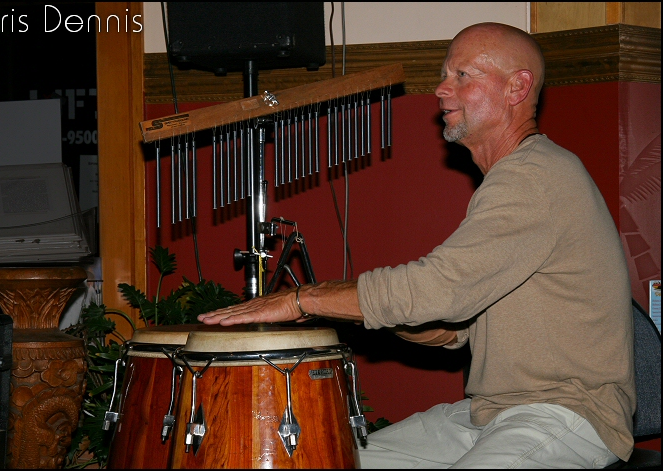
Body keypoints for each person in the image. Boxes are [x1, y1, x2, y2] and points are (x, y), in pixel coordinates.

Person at [198, 22, 635, 469]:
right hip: (489, 415)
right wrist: (370, 312)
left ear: (517, 87)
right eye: (445, 75)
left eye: (463, 75)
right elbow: (449, 327)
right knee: (333, 461)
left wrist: (304, 300)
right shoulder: (513, 179)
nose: (442, 90)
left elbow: (437, 289)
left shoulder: (537, 177)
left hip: (568, 417)